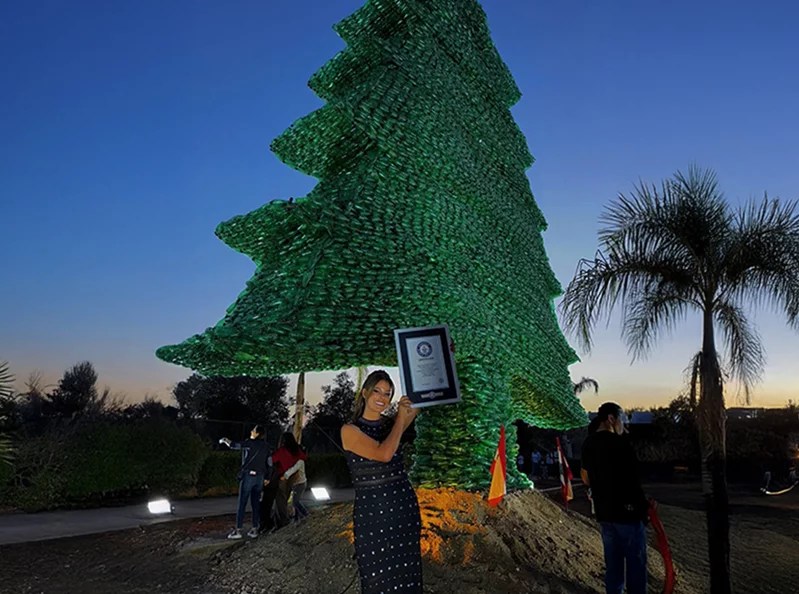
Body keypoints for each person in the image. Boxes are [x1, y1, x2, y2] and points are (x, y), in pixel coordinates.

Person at [341, 370, 422, 594]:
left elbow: (423, 397)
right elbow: (384, 454)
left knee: (407, 576)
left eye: (387, 393)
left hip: (403, 510)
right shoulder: (349, 431)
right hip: (373, 516)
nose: (382, 397)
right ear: (365, 392)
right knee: (377, 578)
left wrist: (440, 358)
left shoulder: (390, 428)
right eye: (377, 390)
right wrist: (400, 418)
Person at [581, 402, 650, 594]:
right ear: (611, 419)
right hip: (627, 513)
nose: (623, 424)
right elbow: (633, 481)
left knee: (613, 564)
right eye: (622, 419)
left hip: (604, 513)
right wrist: (643, 508)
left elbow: (585, 478)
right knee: (636, 564)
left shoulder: (588, 444)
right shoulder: (621, 444)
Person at [221, 425, 272, 540]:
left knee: (242, 503)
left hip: (248, 475)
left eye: (253, 430)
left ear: (257, 434)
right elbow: (270, 464)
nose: (251, 431)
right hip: (260, 477)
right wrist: (267, 477)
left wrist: (225, 440)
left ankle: (238, 530)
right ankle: (255, 529)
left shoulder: (249, 443)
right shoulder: (267, 447)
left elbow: (234, 445)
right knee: (256, 504)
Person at [272, 432, 308, 528]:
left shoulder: (282, 451)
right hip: (292, 480)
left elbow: (273, 460)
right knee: (287, 498)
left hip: (283, 477)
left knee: (281, 500)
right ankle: (293, 518)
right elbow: (302, 459)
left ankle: (283, 520)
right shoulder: (297, 451)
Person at [284, 455, 309, 521]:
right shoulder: (295, 461)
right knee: (294, 501)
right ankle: (296, 517)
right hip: (296, 483)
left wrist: (285, 475)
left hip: (300, 483)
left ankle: (305, 513)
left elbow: (293, 469)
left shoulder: (300, 461)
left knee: (295, 501)